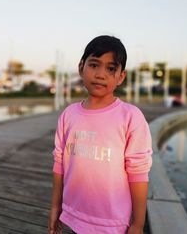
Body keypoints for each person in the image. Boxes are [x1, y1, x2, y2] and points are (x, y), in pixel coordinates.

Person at [48, 35, 153, 234]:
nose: (100, 74)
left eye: (111, 68)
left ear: (121, 76)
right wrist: (55, 207)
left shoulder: (130, 117)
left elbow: (138, 172)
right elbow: (59, 163)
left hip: (112, 223)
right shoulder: (68, 115)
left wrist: (138, 224)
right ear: (81, 68)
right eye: (94, 65)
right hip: (74, 216)